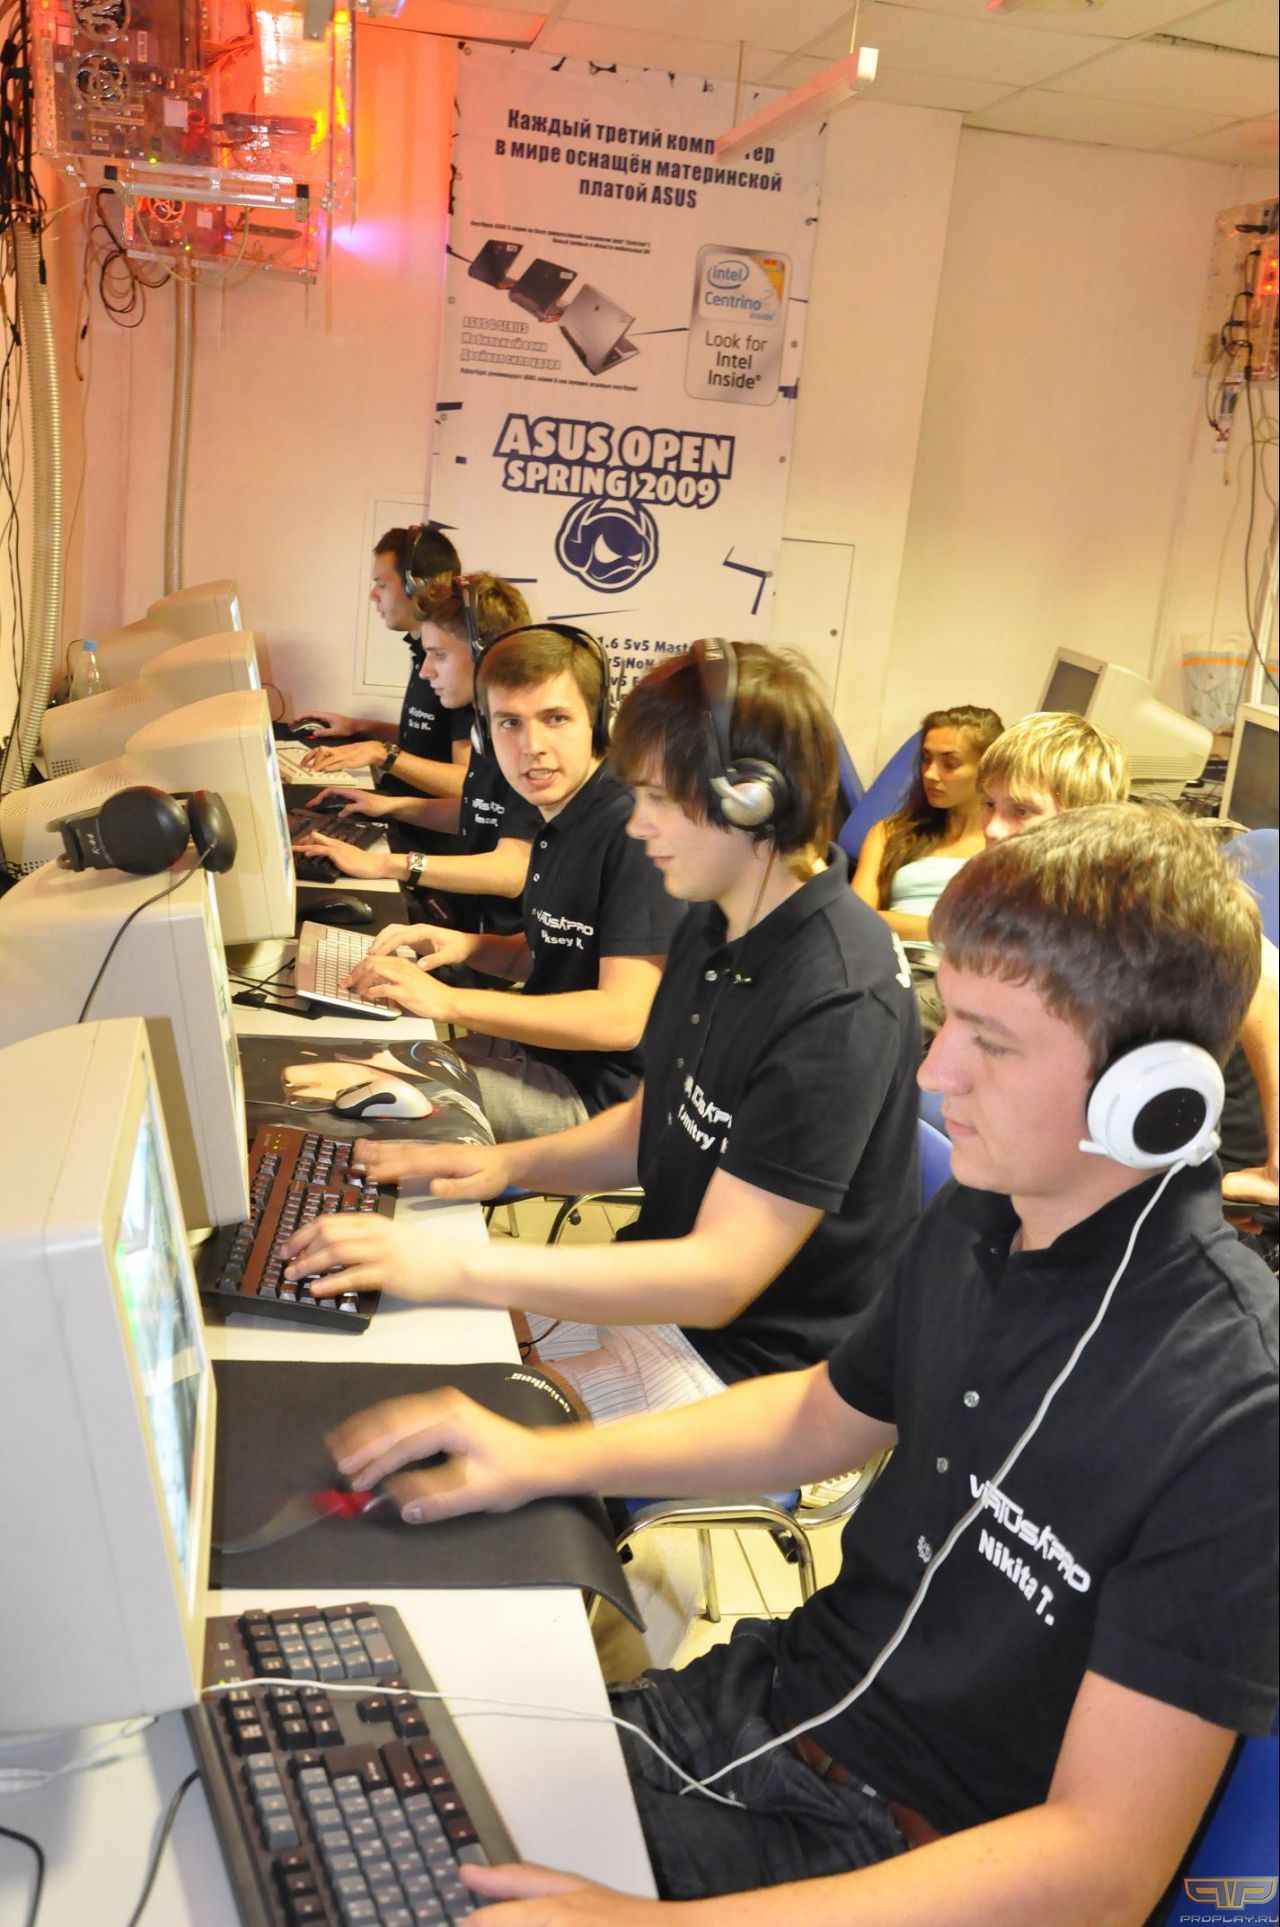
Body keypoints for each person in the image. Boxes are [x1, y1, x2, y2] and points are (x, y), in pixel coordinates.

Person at [321, 805, 1277, 1924]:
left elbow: (1098, 1869)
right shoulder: (988, 1216)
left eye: (991, 1040)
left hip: (889, 1855)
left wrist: (652, 1925)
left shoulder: (1234, 1407)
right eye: (947, 1019)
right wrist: (540, 1457)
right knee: (358, 1792)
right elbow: (821, 1414)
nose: (934, 1072)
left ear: (1149, 1098)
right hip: (764, 1704)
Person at [283, 642, 922, 1419]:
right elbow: (653, 1119)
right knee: (384, 1355)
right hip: (664, 1295)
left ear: (752, 800)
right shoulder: (719, 913)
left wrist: (457, 1264)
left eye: (657, 798)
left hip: (754, 1373)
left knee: (426, 1419)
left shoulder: (840, 997)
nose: (638, 823)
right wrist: (490, 1164)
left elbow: (719, 1278)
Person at [333, 624, 685, 1142]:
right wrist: (467, 946)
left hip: (601, 1100)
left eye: (556, 718)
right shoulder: (561, 812)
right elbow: (557, 950)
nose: (531, 746)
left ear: (597, 723)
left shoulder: (634, 832)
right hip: (543, 1052)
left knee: (351, 1102)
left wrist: (448, 1001)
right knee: (347, 1059)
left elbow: (620, 1019)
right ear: (485, 732)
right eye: (509, 723)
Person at [980, 709, 1279, 1228]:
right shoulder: (1039, 897)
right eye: (989, 804)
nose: (992, 828)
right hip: (1115, 1128)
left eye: (1022, 810)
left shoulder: (1148, 902)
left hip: (1194, 1150)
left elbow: (1266, 995)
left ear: (1083, 819)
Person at [293, 574, 538, 935]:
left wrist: (386, 865)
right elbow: (480, 812)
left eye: (439, 655)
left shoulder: (529, 743)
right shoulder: (486, 730)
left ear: (487, 656)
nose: (425, 670)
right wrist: (390, 806)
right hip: (471, 922)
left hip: (502, 942)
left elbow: (511, 871)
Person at [851, 705, 1003, 1042]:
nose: (931, 774)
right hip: (880, 960)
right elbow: (855, 919)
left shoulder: (1003, 846)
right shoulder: (890, 833)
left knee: (892, 1022)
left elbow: (994, 937)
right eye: (926, 759)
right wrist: (945, 927)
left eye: (950, 763)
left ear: (988, 769)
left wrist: (901, 924)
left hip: (950, 974)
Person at [298, 523, 473, 802]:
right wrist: (360, 727)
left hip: (422, 821)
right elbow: (426, 741)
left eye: (381, 584)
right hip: (398, 806)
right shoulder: (424, 655)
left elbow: (468, 782)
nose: (373, 595)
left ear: (417, 587)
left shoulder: (458, 670)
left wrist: (382, 754)